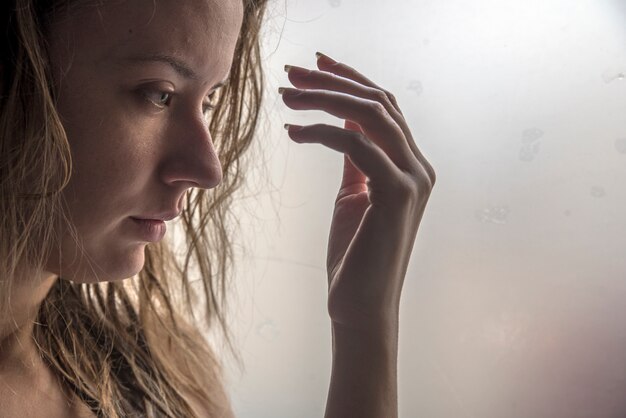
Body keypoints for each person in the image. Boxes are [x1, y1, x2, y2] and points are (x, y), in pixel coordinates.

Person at [0, 0, 436, 416]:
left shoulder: (154, 376)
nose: (209, 170)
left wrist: (364, 326)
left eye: (208, 101)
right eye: (159, 95)